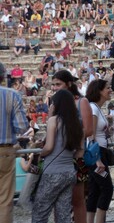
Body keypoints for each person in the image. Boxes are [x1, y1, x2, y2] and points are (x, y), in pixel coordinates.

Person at [32, 89, 84, 223]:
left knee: (40, 212)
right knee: (63, 214)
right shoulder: (77, 123)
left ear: (57, 104)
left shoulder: (54, 120)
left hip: (53, 172)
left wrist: (39, 153)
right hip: (69, 173)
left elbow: (49, 147)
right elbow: (80, 151)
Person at [52, 69, 93, 223]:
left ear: (69, 84)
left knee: (78, 201)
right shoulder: (55, 103)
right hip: (58, 157)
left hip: (76, 157)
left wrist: (69, 136)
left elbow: (89, 129)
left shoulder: (81, 102)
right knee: (58, 202)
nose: (55, 87)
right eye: (53, 84)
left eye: (58, 84)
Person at [0, 61, 28, 223]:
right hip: (5, 152)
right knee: (4, 201)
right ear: (3, 76)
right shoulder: (12, 95)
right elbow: (21, 126)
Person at [85, 79, 114, 223]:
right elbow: (91, 135)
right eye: (108, 88)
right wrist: (97, 160)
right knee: (107, 189)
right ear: (99, 91)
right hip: (96, 154)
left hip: (98, 153)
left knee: (95, 191)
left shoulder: (97, 108)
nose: (110, 90)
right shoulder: (93, 108)